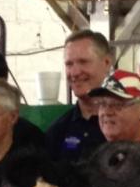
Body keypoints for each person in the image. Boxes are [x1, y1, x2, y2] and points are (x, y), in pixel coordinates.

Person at [45, 30, 113, 162]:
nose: (75, 72)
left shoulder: (128, 126)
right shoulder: (57, 133)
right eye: (69, 64)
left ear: (106, 63)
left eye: (83, 62)